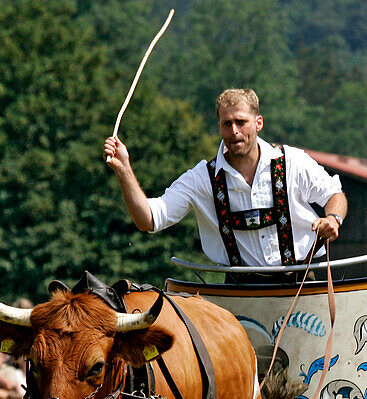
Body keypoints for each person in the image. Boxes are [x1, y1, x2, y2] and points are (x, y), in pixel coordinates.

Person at [104, 88, 348, 279]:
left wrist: (333, 219)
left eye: (241, 122)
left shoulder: (292, 161)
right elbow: (149, 219)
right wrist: (124, 169)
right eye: (226, 124)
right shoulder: (202, 178)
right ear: (219, 126)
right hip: (239, 295)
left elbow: (334, 194)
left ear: (258, 123)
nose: (234, 131)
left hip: (304, 283)